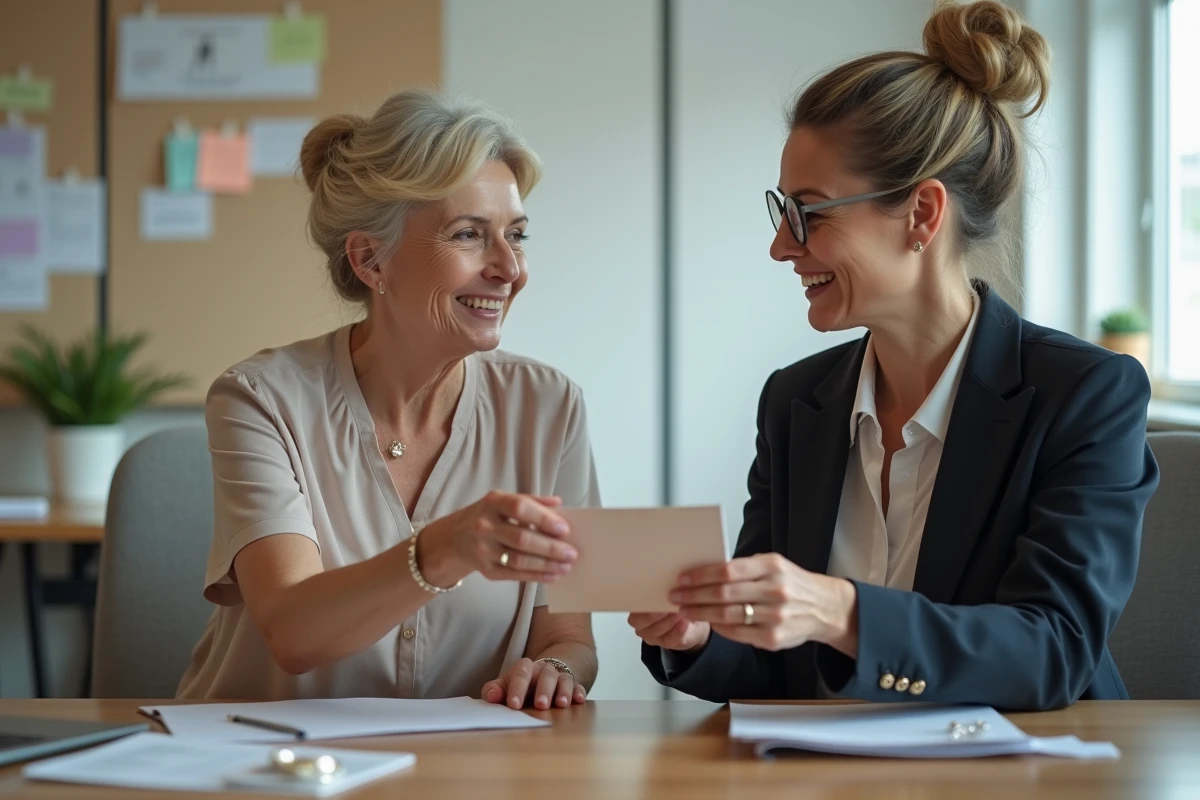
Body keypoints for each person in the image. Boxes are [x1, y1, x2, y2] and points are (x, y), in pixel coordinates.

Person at [631, 0, 1158, 711]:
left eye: (809, 213)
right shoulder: (796, 402)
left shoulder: (1084, 393)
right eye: (781, 211)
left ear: (922, 215)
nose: (782, 246)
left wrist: (839, 611)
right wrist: (700, 636)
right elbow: (773, 669)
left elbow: (1054, 650)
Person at [178, 89, 599, 710]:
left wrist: (555, 669)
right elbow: (293, 631)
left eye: (517, 234)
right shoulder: (260, 400)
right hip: (263, 765)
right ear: (371, 260)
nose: (509, 267)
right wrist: (445, 547)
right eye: (468, 235)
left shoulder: (550, 406)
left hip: (459, 769)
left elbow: (567, 634)